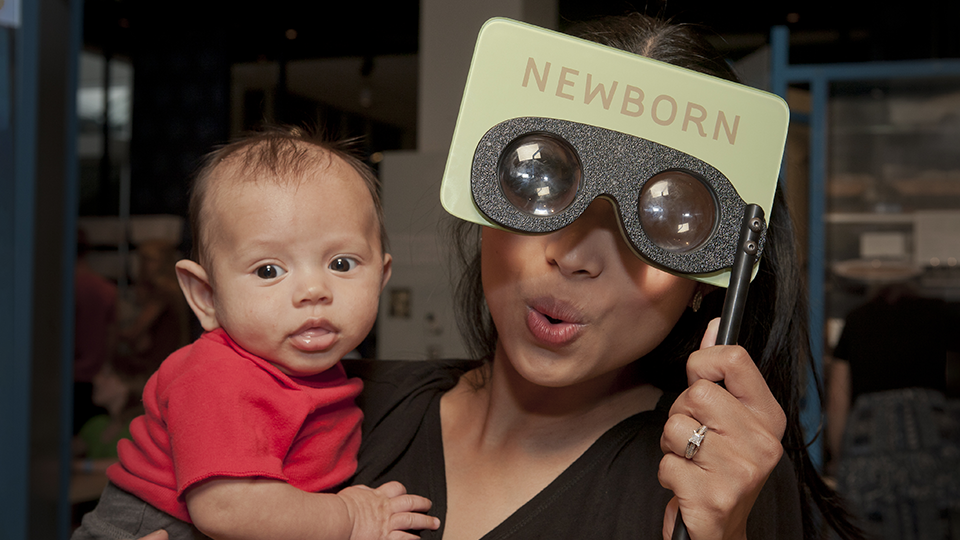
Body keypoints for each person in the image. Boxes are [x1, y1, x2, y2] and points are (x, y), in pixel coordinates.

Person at [346, 14, 864, 540]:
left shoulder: (723, 491)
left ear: (706, 279)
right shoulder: (338, 407)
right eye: (542, 179)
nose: (575, 257)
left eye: (667, 220)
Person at [72, 127, 440, 540]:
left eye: (341, 263)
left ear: (381, 277)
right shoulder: (216, 376)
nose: (313, 291)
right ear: (206, 295)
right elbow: (227, 508)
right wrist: (351, 516)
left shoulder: (332, 377)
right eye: (269, 270)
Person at [826, 280, 960, 539]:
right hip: (930, 429)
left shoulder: (857, 318)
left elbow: (837, 396)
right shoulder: (938, 312)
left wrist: (837, 458)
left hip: (870, 433)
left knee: (867, 523)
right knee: (934, 518)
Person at [118, 238, 191, 372]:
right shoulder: (165, 288)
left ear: (164, 262)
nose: (145, 266)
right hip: (166, 359)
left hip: (161, 360)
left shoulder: (164, 291)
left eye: (151, 260)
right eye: (143, 260)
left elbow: (136, 330)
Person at [74, 228, 119, 435]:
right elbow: (111, 337)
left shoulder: (64, 289)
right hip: (95, 378)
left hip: (68, 377)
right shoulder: (106, 290)